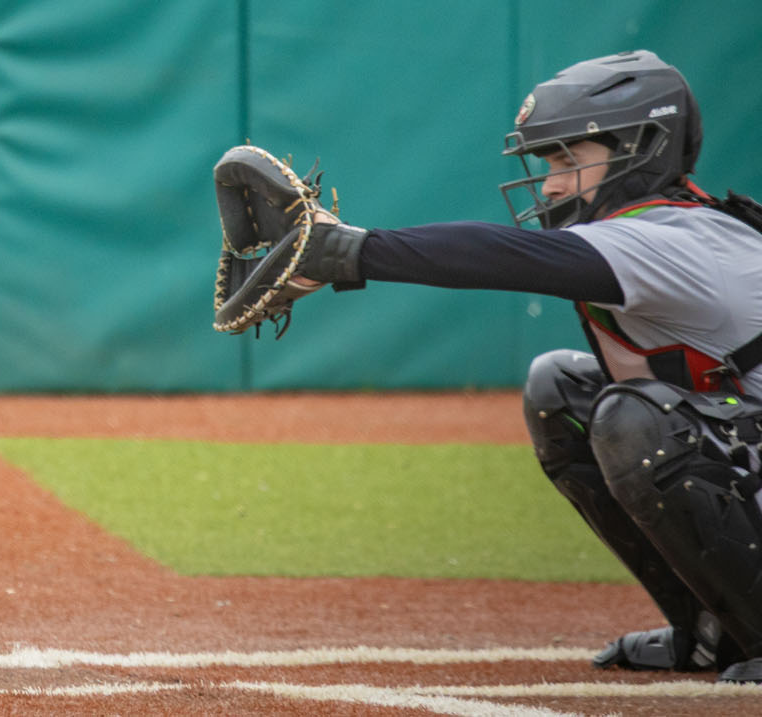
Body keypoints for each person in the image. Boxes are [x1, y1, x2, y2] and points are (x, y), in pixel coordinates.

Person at [233, 50, 762, 685]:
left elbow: (503, 256)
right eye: (548, 164)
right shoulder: (658, 231)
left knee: (638, 420)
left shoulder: (674, 238)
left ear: (643, 146)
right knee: (562, 389)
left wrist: (347, 250)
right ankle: (714, 630)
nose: (553, 183)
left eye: (571, 159)